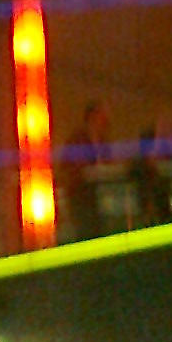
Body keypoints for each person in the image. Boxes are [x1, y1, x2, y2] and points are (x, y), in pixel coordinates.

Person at [62, 100, 111, 240]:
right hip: (81, 197)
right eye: (101, 116)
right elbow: (72, 169)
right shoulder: (77, 140)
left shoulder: (103, 142)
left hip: (100, 197)